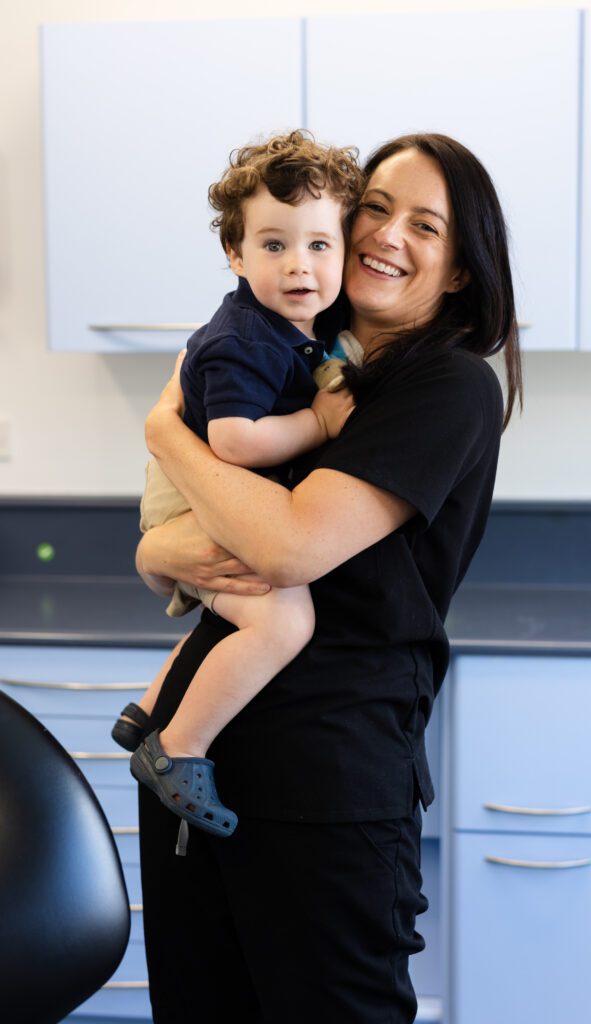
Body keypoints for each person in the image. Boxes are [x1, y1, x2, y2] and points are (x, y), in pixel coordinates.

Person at [135, 132, 522, 1023]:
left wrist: (166, 437)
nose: (387, 235)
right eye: (375, 210)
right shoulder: (296, 354)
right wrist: (156, 549)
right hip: (193, 770)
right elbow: (173, 545)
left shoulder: (448, 388)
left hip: (325, 787)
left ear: (461, 269)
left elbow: (290, 549)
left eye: (426, 225)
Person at [111, 132, 363, 839]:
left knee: (235, 612)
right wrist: (318, 420)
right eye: (273, 245)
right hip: (189, 493)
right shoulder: (244, 339)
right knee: (283, 619)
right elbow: (232, 441)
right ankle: (177, 748)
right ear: (234, 253)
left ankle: (147, 711)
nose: (299, 266)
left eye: (319, 245)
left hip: (198, 489)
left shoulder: (289, 327)